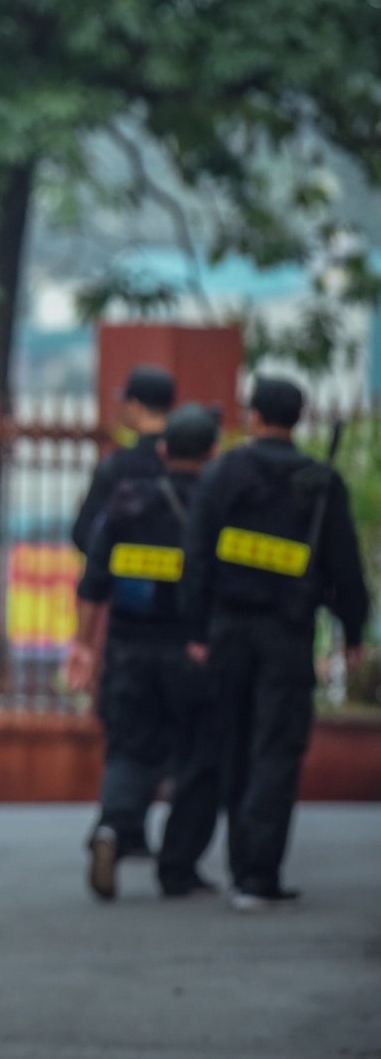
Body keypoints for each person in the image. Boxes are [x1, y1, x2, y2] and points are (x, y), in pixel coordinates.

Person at [181, 376, 369, 911]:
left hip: (228, 632)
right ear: (298, 420)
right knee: (276, 750)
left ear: (254, 416)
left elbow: (196, 559)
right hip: (287, 636)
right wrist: (352, 632)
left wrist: (196, 631)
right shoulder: (320, 482)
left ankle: (243, 867)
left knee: (236, 744)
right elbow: (345, 568)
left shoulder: (223, 473)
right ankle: (257, 875)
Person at [68, 403, 223, 900]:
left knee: (131, 748)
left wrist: (82, 646)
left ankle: (113, 828)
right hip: (192, 655)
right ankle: (178, 868)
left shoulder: (127, 499)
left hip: (129, 651)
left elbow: (92, 582)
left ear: (161, 450)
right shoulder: (215, 508)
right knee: (199, 759)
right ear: (213, 453)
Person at [72, 365, 176, 553]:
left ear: (135, 406)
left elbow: (83, 535)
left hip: (121, 578)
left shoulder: (114, 467)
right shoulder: (184, 462)